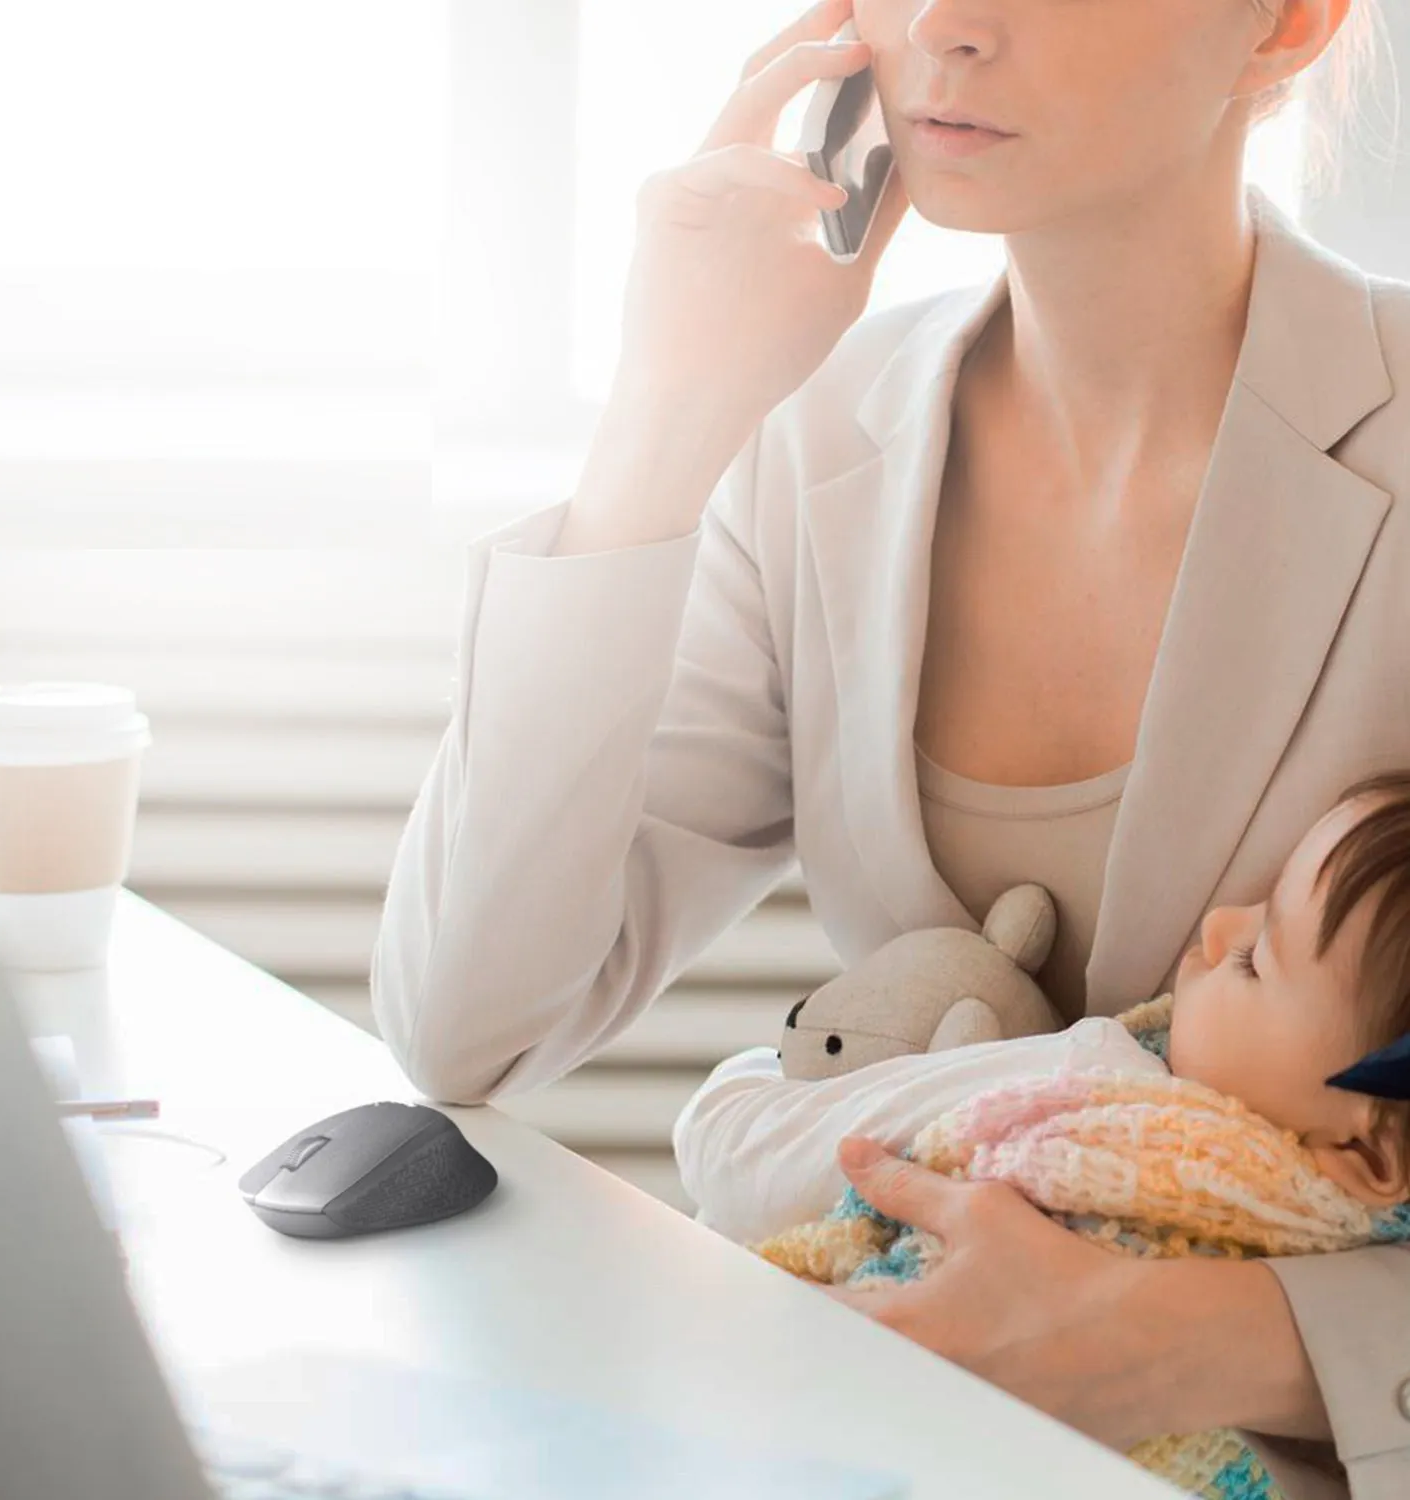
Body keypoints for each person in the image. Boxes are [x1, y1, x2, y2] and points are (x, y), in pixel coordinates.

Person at [371, 3, 1409, 1496]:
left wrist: (1232, 1341)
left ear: (1289, 24)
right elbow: (470, 1023)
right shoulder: (814, 441)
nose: (943, 26)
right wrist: (667, 415)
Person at [672, 770, 1410, 1248]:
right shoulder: (1365, 1254)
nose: (1219, 926)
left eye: (1257, 958)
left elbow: (746, 1163)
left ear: (1369, 1155)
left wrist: (750, 1077)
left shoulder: (1092, 1084)